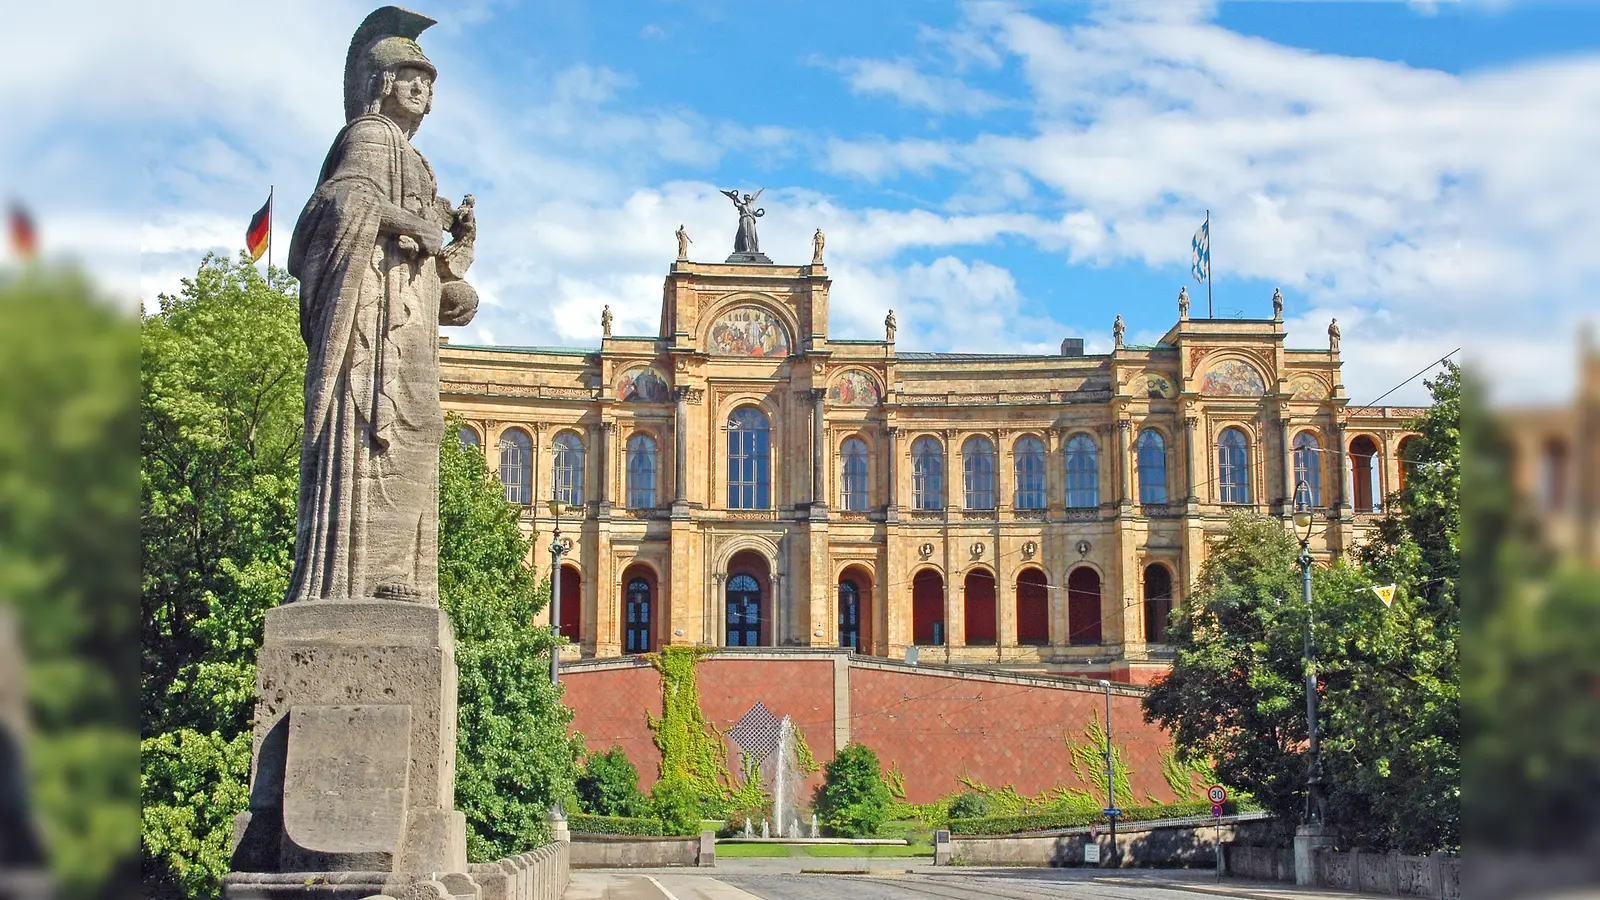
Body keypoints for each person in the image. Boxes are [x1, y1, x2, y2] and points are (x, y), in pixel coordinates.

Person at [285, 9, 476, 603]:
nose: (425, 91)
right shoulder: (368, 137)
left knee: (418, 431)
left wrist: (453, 276)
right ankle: (361, 575)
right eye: (413, 77)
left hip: (408, 319)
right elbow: (341, 205)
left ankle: (398, 571)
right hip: (371, 321)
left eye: (430, 81)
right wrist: (418, 225)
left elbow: (421, 256)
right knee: (381, 428)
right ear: (383, 82)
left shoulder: (416, 159)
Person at [721, 188, 764, 254]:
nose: (747, 200)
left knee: (752, 235)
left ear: (749, 199)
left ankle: (752, 249)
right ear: (745, 199)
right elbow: (736, 204)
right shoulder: (742, 205)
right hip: (744, 219)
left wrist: (760, 214)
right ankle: (746, 248)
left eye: (748, 199)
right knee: (745, 234)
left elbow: (755, 213)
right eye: (746, 199)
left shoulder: (751, 206)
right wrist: (734, 198)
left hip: (751, 220)